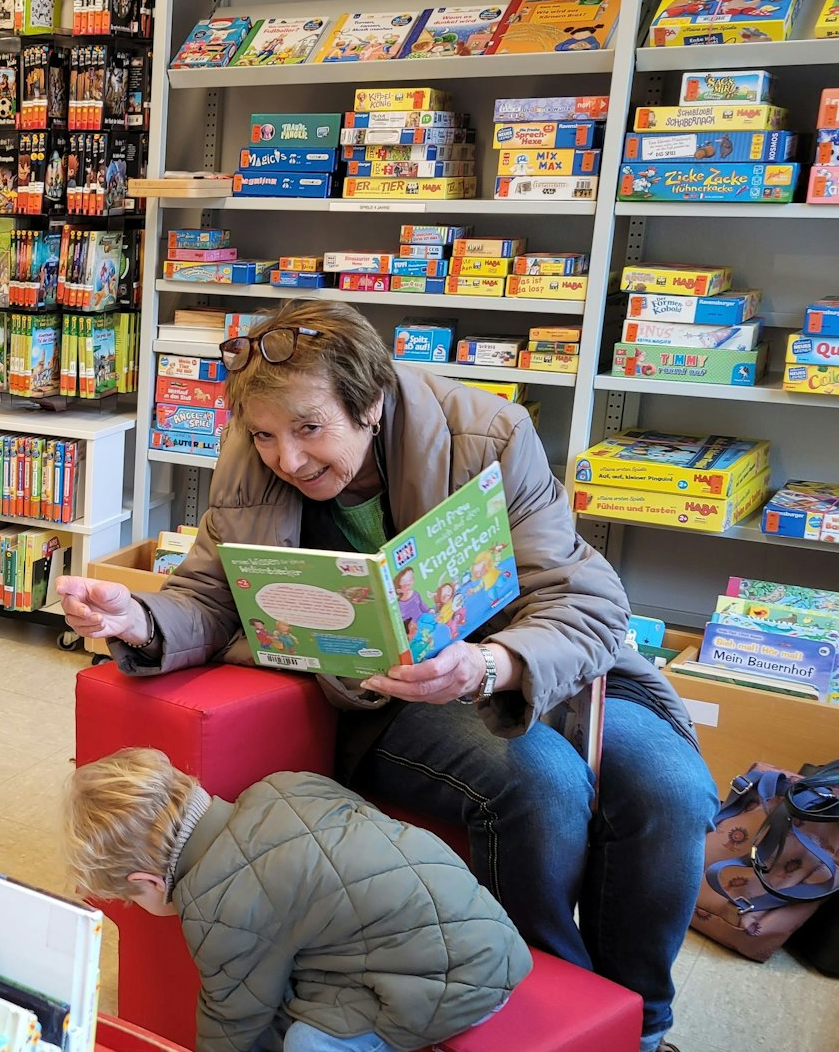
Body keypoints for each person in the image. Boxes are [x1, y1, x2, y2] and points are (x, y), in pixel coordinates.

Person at [55, 300, 714, 1052]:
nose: (287, 460)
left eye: (309, 429)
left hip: (536, 665)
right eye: (264, 434)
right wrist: (136, 618)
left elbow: (581, 596)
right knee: (541, 781)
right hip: (385, 700)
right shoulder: (252, 458)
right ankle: (552, 1012)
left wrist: (492, 662)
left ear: (370, 403)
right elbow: (212, 595)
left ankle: (641, 1026)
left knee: (670, 786)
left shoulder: (490, 434)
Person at [65, 747, 529, 1052]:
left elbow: (233, 1018)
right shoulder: (283, 785)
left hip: (455, 985)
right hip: (490, 929)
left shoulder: (216, 907)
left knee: (306, 1040)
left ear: (146, 882)